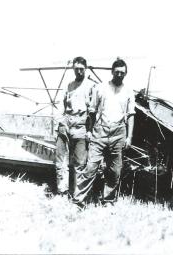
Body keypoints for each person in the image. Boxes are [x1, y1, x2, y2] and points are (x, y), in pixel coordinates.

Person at [73, 58, 135, 207]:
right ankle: (78, 201)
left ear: (125, 74)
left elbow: (131, 114)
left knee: (114, 170)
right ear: (112, 72)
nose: (119, 75)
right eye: (117, 72)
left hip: (119, 132)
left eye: (122, 73)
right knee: (90, 167)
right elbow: (92, 111)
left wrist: (129, 137)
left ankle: (108, 200)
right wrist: (89, 131)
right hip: (100, 131)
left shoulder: (128, 92)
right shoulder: (100, 88)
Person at [55, 56, 95, 198]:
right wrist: (61, 123)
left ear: (86, 69)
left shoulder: (91, 86)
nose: (79, 72)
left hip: (81, 126)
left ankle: (77, 195)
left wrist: (90, 130)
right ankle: (62, 191)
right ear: (73, 68)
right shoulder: (69, 85)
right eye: (76, 69)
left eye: (81, 69)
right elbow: (62, 105)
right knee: (61, 160)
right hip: (66, 123)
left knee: (79, 162)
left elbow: (93, 111)